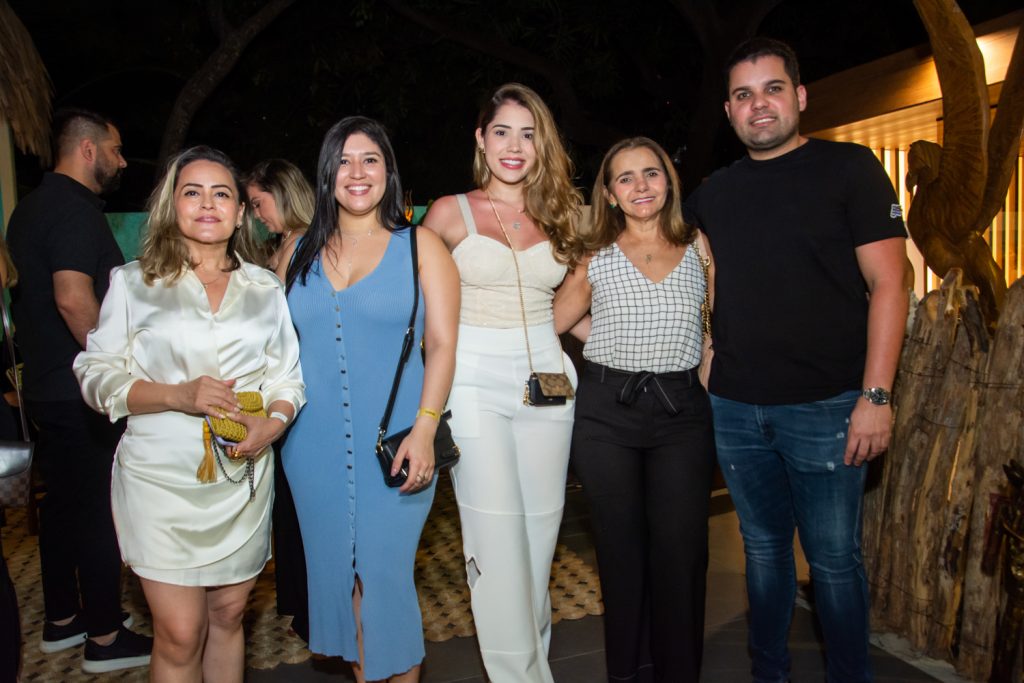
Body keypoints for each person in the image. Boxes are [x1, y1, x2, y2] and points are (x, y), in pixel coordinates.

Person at [684, 38, 908, 683]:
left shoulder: (851, 169)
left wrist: (877, 396)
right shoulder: (713, 194)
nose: (760, 105)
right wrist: (705, 350)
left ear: (800, 96)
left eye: (773, 88)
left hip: (832, 406)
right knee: (762, 553)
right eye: (744, 94)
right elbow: (677, 271)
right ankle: (769, 673)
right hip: (735, 406)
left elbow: (892, 285)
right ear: (729, 111)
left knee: (835, 561)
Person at [73, 145, 306, 681]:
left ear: (241, 211)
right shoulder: (133, 283)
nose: (208, 204)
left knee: (227, 617)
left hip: (242, 477)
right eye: (192, 192)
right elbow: (95, 373)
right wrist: (176, 395)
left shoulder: (265, 288)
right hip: (161, 479)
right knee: (180, 633)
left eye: (222, 193)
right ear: (170, 206)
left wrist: (273, 423)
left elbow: (287, 377)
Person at [281, 116, 459, 683]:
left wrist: (426, 429)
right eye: (344, 160)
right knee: (341, 580)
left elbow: (443, 344)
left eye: (370, 160)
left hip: (399, 447)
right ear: (326, 173)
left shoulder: (421, 246)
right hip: (311, 453)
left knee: (384, 578)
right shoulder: (296, 252)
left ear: (389, 171)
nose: (357, 173)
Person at [423, 83, 582, 683]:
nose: (515, 146)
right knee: (496, 543)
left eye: (528, 132)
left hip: (550, 379)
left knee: (539, 542)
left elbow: (580, 307)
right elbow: (415, 307)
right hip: (472, 383)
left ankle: (529, 662)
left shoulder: (563, 213)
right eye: (502, 132)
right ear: (480, 140)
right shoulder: (449, 213)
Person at [554, 136, 717, 682]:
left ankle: (678, 672)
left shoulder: (698, 244)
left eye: (651, 173)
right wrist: (601, 339)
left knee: (683, 551)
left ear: (668, 181)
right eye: (626, 178)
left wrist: (705, 385)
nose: (640, 186)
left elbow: (712, 328)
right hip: (608, 413)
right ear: (609, 192)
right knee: (621, 554)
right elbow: (554, 320)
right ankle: (628, 672)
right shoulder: (595, 253)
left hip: (681, 411)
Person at [6, 107, 153, 673]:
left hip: (45, 385)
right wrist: (112, 367)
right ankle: (105, 635)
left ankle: (63, 619)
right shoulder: (74, 211)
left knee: (64, 507)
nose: (120, 161)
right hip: (77, 392)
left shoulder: (31, 208)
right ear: (88, 150)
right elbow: (72, 297)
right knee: (97, 509)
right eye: (115, 150)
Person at [244, 157, 315, 639]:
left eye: (258, 202)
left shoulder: (309, 244)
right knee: (288, 503)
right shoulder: (282, 246)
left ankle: (314, 608)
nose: (255, 214)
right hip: (282, 394)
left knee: (304, 504)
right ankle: (302, 603)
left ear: (284, 193)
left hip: (305, 395)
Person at [244, 158, 314, 274]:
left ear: (281, 193)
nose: (256, 215)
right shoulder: (284, 240)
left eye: (257, 204)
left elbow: (279, 292)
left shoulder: (298, 242)